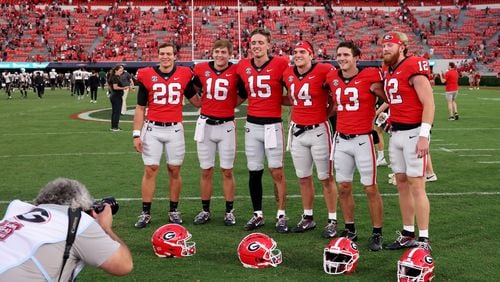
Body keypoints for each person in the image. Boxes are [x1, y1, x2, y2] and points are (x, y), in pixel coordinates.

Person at [0, 178, 133, 280]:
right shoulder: (75, 220)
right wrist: (104, 227)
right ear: (81, 203)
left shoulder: (18, 215)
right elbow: (123, 265)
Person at [132, 42, 199, 229]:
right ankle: (145, 212)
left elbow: (196, 101)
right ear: (158, 55)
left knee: (175, 170)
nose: (165, 57)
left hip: (175, 129)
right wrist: (136, 134)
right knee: (150, 169)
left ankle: (174, 210)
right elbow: (140, 107)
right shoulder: (147, 74)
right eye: (162, 53)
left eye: (169, 54)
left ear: (175, 56)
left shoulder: (185, 74)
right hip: (152, 128)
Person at [327, 41, 386, 250]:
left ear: (356, 58)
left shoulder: (370, 76)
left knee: (370, 188)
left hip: (363, 139)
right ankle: (350, 228)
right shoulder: (332, 77)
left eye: (346, 55)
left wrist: (386, 116)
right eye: (339, 55)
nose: (342, 58)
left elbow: (389, 97)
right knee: (343, 187)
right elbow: (331, 102)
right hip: (341, 139)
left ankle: (377, 232)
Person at [381, 31, 435, 251]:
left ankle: (423, 238)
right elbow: (399, 99)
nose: (385, 50)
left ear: (401, 47)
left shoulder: (414, 65)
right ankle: (407, 233)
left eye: (389, 46)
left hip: (414, 133)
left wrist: (424, 135)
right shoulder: (389, 70)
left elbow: (429, 103)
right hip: (396, 134)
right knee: (401, 184)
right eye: (383, 46)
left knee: (417, 186)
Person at [236, 28, 290, 233]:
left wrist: (278, 100)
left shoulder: (281, 64)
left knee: (276, 171)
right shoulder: (242, 66)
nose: (256, 46)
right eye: (253, 43)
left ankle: (281, 214)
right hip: (252, 125)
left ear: (269, 44)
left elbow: (293, 91)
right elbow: (240, 93)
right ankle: (257, 214)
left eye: (260, 42)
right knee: (254, 171)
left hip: (272, 125)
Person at [282, 41, 338, 238]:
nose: (298, 55)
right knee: (303, 177)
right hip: (297, 131)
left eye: (302, 52)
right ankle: (308, 217)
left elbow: (336, 97)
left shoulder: (324, 70)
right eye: (295, 52)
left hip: (318, 130)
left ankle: (332, 219)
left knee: (326, 177)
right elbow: (289, 97)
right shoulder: (288, 73)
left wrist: (326, 112)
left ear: (311, 55)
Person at [191, 39, 247, 226]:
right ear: (211, 53)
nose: (220, 55)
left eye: (223, 52)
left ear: (230, 54)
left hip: (226, 126)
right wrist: (200, 103)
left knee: (227, 170)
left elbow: (244, 92)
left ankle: (229, 211)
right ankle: (205, 210)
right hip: (206, 125)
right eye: (217, 52)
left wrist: (231, 104)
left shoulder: (236, 71)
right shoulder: (201, 69)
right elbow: (192, 88)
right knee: (205, 170)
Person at [108, 65, 128, 131]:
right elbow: (115, 87)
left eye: (122, 71)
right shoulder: (115, 77)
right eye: (120, 71)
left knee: (114, 112)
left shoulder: (114, 77)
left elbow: (111, 87)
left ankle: (113, 126)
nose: (121, 72)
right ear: (116, 70)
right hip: (116, 96)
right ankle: (115, 127)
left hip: (114, 95)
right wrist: (124, 88)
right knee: (117, 112)